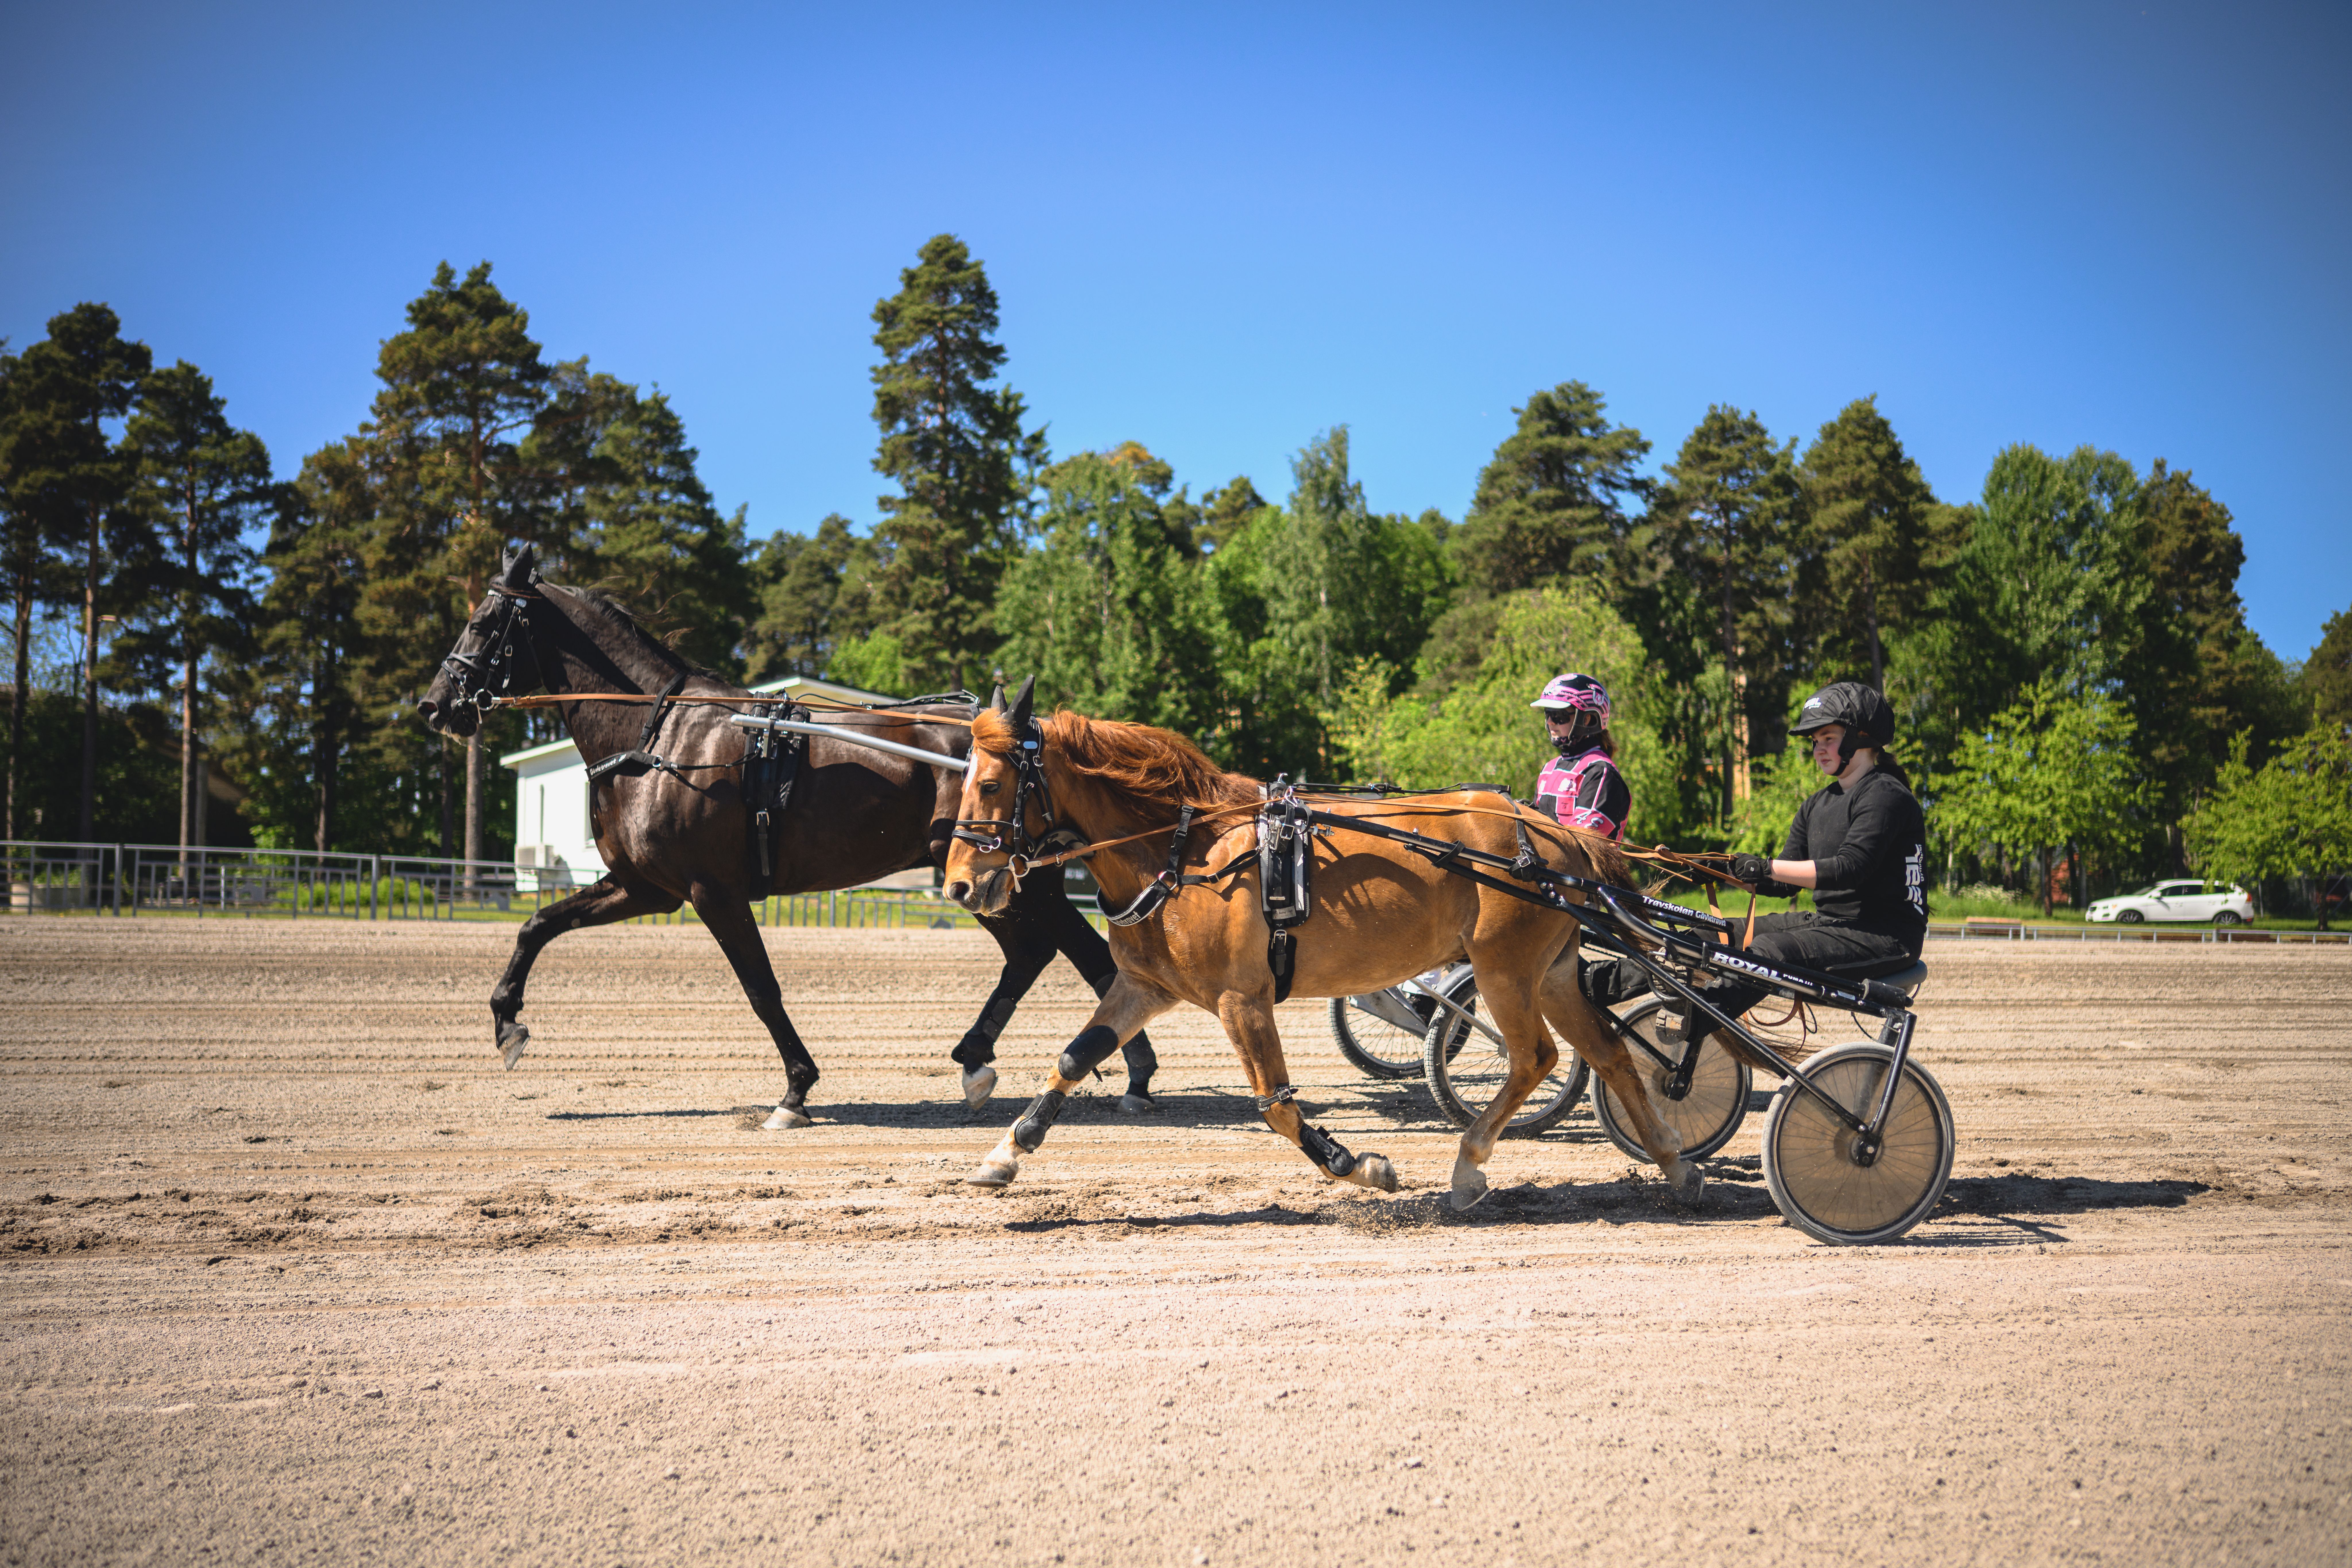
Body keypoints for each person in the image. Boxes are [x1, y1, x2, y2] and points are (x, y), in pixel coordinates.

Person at [1670, 680, 1929, 1045]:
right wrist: (1716, 870)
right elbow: (1781, 882)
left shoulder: (1886, 795)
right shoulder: (1816, 805)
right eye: (1814, 742)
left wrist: (1765, 866)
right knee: (1705, 933)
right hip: (1830, 924)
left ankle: (1686, 1025)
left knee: (1770, 951)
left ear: (1861, 737)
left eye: (1827, 738)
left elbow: (1848, 869)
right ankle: (1596, 987)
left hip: (1884, 936)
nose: (1818, 750)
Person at [1527, 672, 1646, 1006]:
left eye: (1560, 716)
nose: (1551, 723)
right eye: (1548, 715)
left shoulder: (1600, 772)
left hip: (1583, 893)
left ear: (1590, 719)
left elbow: (1582, 843)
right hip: (1548, 884)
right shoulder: (1550, 769)